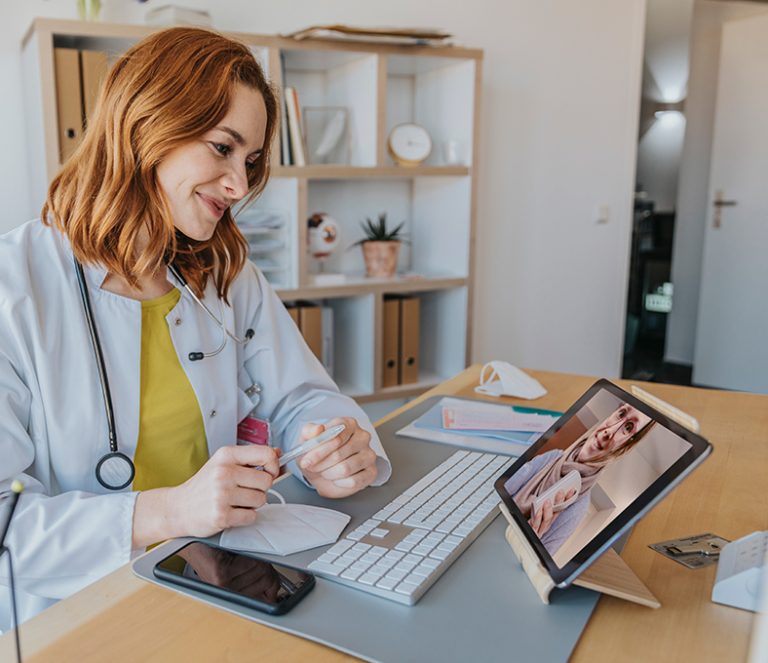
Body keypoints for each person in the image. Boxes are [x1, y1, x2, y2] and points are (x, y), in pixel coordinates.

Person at [0, 27, 390, 630]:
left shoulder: (225, 274)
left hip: (222, 579)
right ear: (144, 125)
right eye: (221, 147)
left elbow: (305, 396)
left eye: (251, 160)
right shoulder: (16, 288)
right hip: (78, 613)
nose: (239, 185)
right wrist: (165, 512)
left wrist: (337, 442)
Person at [504, 403, 654, 556]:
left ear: (626, 445)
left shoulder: (579, 508)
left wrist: (530, 541)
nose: (609, 431)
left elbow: (539, 559)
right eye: (621, 414)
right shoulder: (553, 456)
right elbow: (503, 491)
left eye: (628, 428)